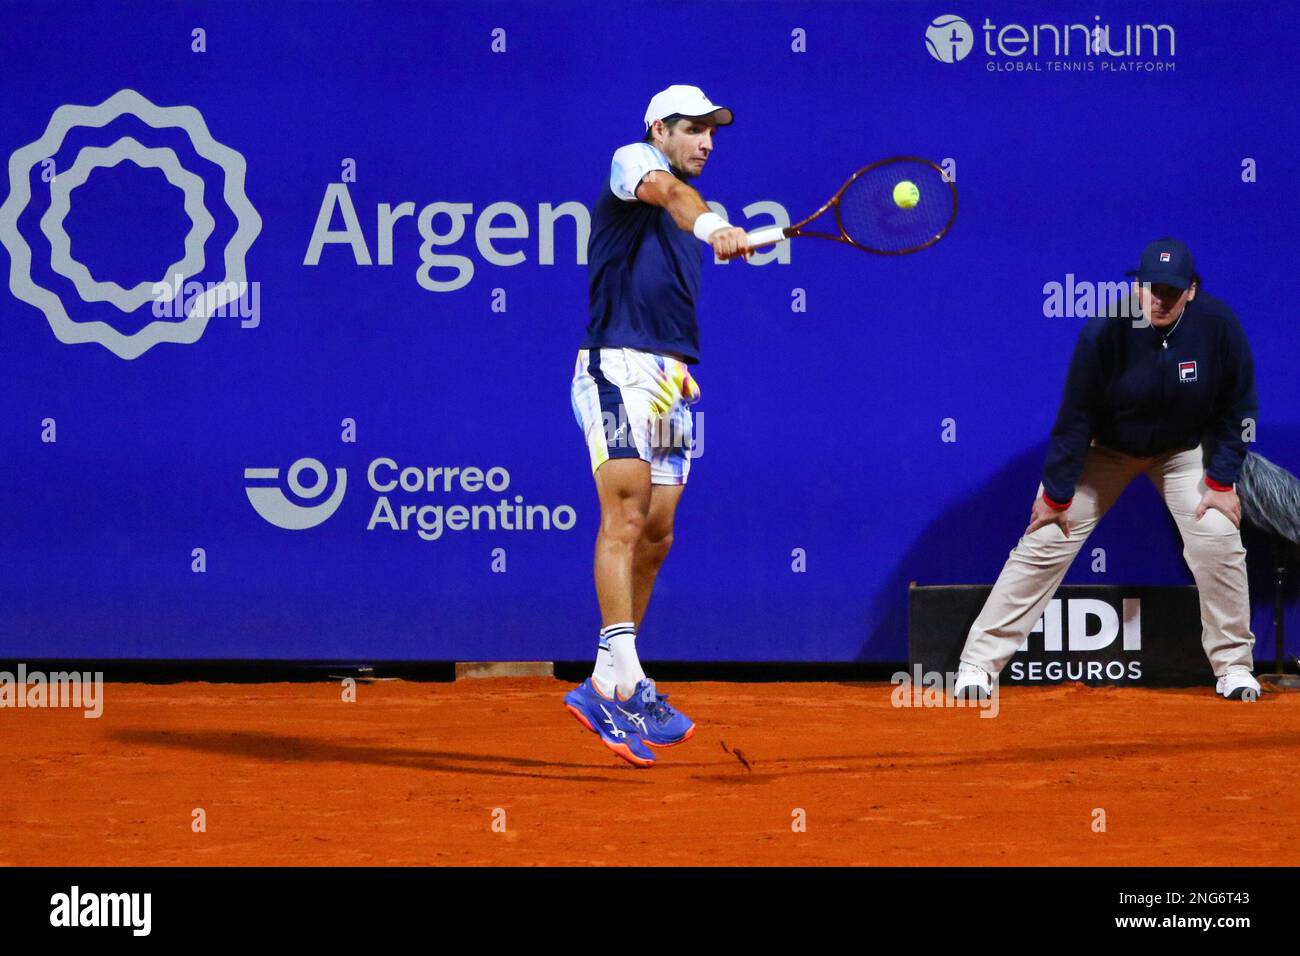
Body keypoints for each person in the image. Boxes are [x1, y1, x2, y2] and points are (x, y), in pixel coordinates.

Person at [954, 239, 1262, 701]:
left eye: (1171, 291)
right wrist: (1057, 495)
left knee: (1218, 537)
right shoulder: (1105, 330)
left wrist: (1220, 481)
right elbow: (1074, 418)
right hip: (1106, 450)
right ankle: (978, 664)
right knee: (1045, 538)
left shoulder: (1219, 327)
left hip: (1180, 453)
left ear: (1192, 291)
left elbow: (1239, 410)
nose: (1158, 298)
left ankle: (1235, 668)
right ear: (1137, 287)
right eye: (1150, 288)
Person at [563, 85, 752, 767]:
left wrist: (719, 232)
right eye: (694, 129)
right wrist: (711, 228)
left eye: (713, 132)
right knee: (626, 513)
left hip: (673, 385)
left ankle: (601, 683)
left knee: (660, 528)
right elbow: (674, 201)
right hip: (617, 371)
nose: (706, 141)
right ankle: (633, 679)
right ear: (658, 130)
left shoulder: (697, 206)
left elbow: (687, 219)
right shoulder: (632, 164)